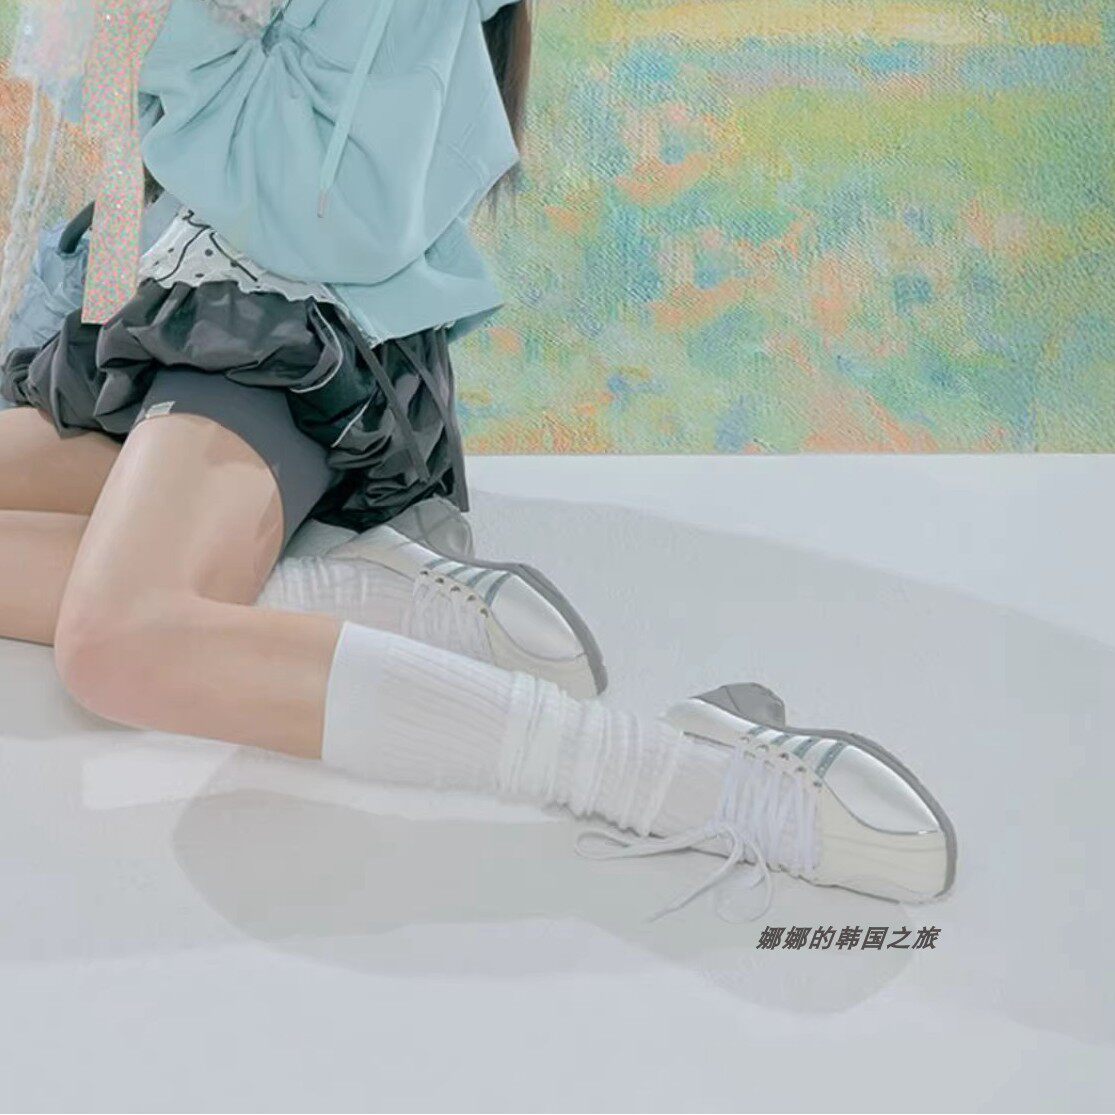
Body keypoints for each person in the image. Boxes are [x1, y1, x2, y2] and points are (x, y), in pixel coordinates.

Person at [0, 0, 955, 921]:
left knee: (118, 643)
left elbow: (333, 212)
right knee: (133, 604)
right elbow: (148, 144)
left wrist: (171, 24)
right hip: (173, 320)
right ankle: (351, 590)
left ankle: (690, 778)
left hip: (296, 345)